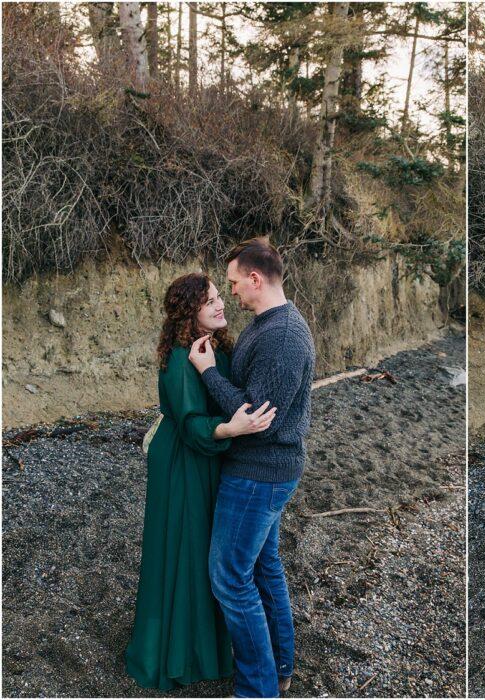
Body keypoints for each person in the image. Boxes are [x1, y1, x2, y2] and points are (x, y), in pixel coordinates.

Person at [126, 273, 276, 690]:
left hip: (211, 462)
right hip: (183, 463)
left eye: (217, 297)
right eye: (209, 301)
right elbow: (192, 425)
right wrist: (232, 430)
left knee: (206, 550)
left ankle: (208, 648)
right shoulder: (179, 357)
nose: (219, 305)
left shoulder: (217, 348)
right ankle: (177, 653)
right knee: (184, 550)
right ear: (189, 312)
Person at [188, 237, 315, 698]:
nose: (232, 293)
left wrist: (208, 374)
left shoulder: (282, 336)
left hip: (259, 472)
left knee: (229, 576)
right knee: (264, 569)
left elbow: (253, 420)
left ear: (256, 279)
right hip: (268, 470)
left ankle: (258, 689)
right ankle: (279, 669)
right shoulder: (270, 323)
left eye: (235, 283)